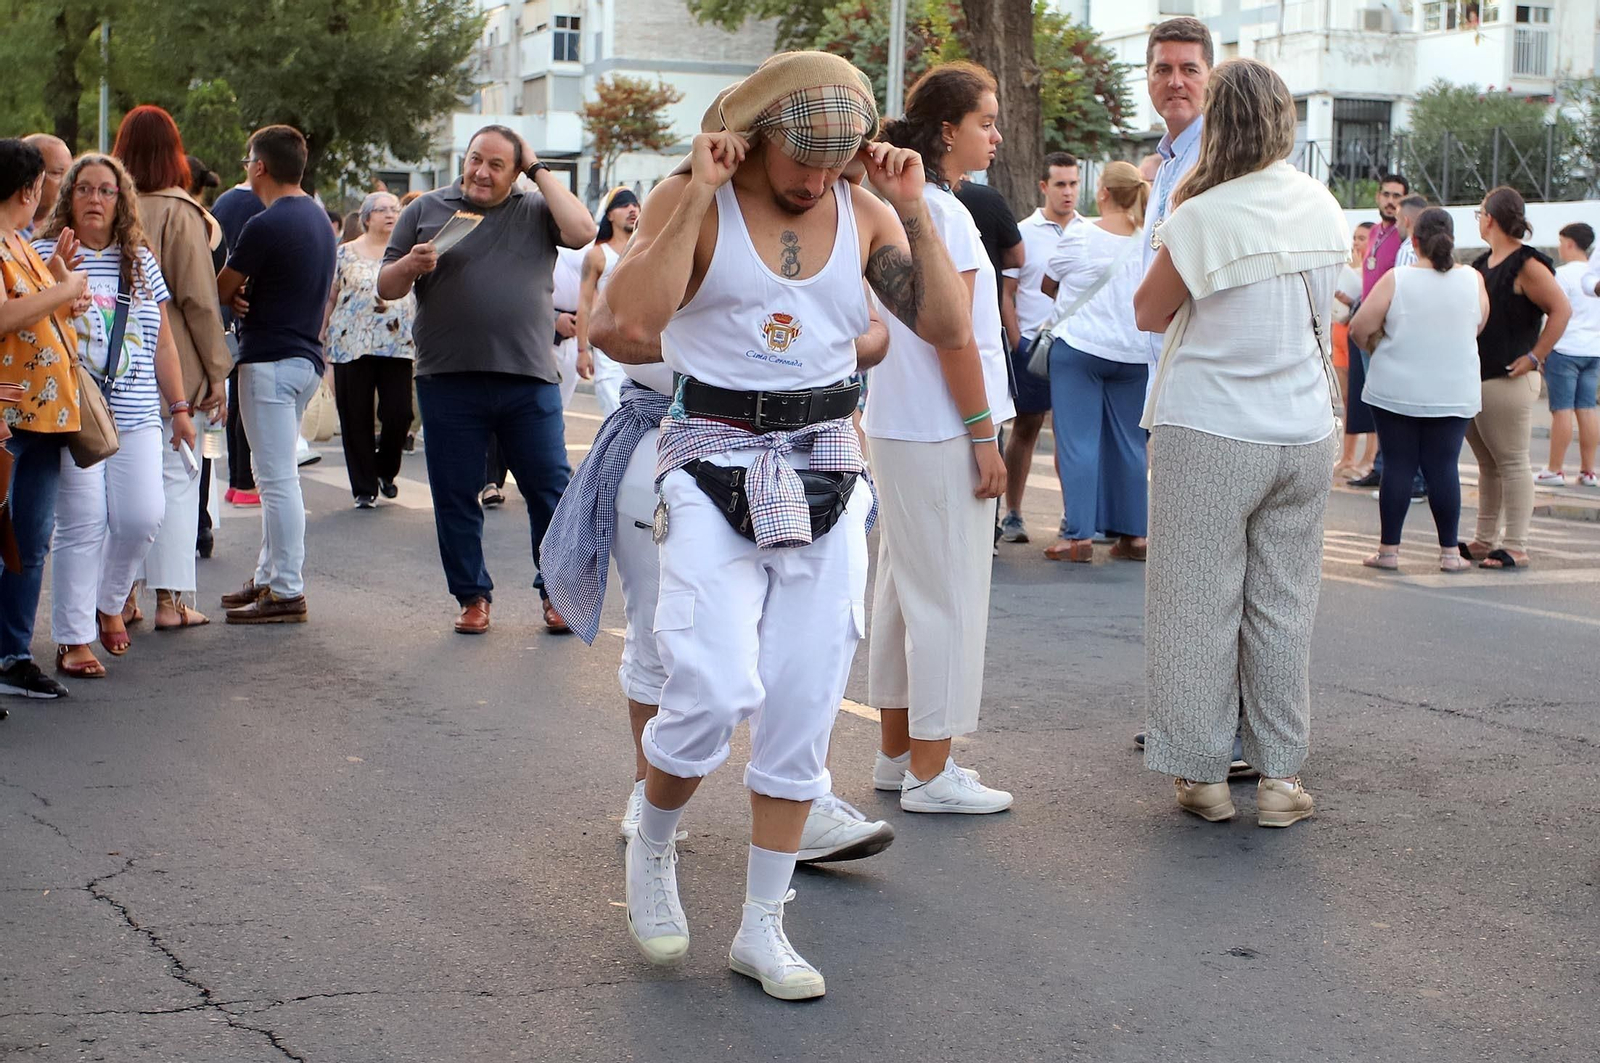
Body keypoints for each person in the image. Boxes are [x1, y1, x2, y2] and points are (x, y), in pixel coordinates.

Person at [594, 50, 975, 999]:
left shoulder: (867, 210)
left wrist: (915, 210)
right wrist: (696, 191)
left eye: (835, 162)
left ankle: (763, 925)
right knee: (714, 685)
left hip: (828, 461)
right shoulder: (698, 197)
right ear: (757, 137)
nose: (817, 180)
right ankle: (654, 838)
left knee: (803, 700)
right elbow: (622, 325)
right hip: (710, 454)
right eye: (803, 160)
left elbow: (944, 325)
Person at [543, 282, 895, 863]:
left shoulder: (831, 233)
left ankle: (800, 803)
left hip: (806, 448)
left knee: (805, 653)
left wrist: (809, 354)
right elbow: (605, 327)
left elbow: (875, 330)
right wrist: (724, 348)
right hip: (675, 440)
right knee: (665, 635)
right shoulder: (681, 230)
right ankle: (648, 797)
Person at [1133, 58, 1349, 828]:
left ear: (1217, 120)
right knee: (1284, 608)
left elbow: (1148, 311)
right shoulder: (1322, 204)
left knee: (1195, 604)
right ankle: (1282, 777)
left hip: (1211, 428)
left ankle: (1203, 776)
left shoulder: (1203, 212)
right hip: (1304, 428)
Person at [864, 60, 1016, 813]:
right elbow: (957, 340)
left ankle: (899, 755)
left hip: (900, 423)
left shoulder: (900, 206)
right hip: (941, 426)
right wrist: (984, 436)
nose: (997, 135)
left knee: (903, 595)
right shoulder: (941, 215)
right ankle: (931, 771)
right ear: (948, 131)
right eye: (987, 122)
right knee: (949, 599)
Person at [378, 125, 596, 635]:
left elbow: (584, 231)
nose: (481, 171)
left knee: (550, 488)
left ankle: (557, 591)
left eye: (497, 164)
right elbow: (386, 285)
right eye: (476, 159)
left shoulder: (536, 209)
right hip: (447, 377)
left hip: (528, 377)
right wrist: (410, 264)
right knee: (455, 492)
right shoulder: (426, 209)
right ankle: (472, 596)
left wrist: (538, 169)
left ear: (517, 171)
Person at [33, 154, 198, 676]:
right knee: (82, 523)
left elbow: (163, 342)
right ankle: (73, 639)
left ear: (121, 200)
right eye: (84, 189)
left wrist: (179, 408)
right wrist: (57, 278)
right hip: (74, 412)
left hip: (137, 411)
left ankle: (109, 602)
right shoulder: (44, 252)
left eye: (107, 191)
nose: (95, 200)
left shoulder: (139, 260)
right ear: (69, 196)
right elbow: (28, 328)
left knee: (142, 515)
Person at [114, 104, 231, 632]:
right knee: (177, 481)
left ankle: (122, 597)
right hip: (175, 366)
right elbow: (199, 301)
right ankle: (171, 601)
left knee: (124, 490)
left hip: (117, 367)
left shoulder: (109, 205)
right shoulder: (182, 212)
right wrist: (218, 372)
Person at [215, 125, 337, 623]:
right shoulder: (317, 218)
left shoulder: (265, 224)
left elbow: (220, 288)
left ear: (260, 167)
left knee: (276, 480)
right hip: (303, 358)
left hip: (268, 359)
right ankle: (268, 576)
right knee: (276, 477)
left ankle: (286, 588)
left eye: (249, 161)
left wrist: (238, 293)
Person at [1349, 207, 1488, 573]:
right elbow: (1478, 324)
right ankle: (1450, 554)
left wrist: (1376, 347)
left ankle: (1388, 552)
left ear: (1414, 241)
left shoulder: (1397, 279)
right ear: (1451, 240)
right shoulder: (1472, 279)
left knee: (1398, 465)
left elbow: (1359, 327)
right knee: (1444, 467)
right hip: (1453, 390)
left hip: (1396, 387)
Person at [0, 138, 87, 699]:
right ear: (29, 187)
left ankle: (12, 655)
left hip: (43, 415)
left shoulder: (22, 242)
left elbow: (38, 312)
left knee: (30, 541)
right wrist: (64, 289)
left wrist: (60, 288)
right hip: (9, 414)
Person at [1041, 161, 1150, 563]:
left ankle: (1078, 537)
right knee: (1131, 445)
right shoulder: (1149, 239)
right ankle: (1134, 536)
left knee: (1078, 442)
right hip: (1134, 351)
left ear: (1102, 192)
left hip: (1081, 348)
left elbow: (1048, 283)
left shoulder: (1081, 234)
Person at [1463, 186, 1570, 570]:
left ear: (1490, 218)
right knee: (1488, 464)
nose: (1479, 220)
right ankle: (1484, 539)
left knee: (1511, 462)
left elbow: (1561, 310)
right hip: (1477, 375)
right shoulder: (1482, 264)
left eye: (1480, 213)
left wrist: (1535, 356)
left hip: (1508, 377)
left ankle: (1516, 544)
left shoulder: (1527, 264)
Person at [998, 151, 1081, 544]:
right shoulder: (1023, 232)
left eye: (1074, 183)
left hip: (1076, 346)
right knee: (1026, 427)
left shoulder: (1089, 232)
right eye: (1060, 184)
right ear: (1045, 186)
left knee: (1071, 432)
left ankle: (1073, 517)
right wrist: (1017, 342)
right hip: (1032, 344)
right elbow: (1007, 292)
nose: (1068, 192)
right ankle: (1013, 513)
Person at [322, 191, 415, 507]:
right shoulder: (344, 253)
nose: (390, 214)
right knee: (355, 416)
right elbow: (331, 297)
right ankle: (364, 487)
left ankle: (385, 469)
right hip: (351, 343)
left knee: (399, 413)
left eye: (395, 209)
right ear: (366, 217)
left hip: (397, 343)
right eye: (382, 209)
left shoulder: (406, 252)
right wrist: (321, 335)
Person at [1347, 173, 1412, 492]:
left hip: (1388, 326)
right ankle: (1379, 464)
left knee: (1390, 400)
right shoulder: (1374, 232)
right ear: (1377, 196)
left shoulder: (1403, 237)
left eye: (1397, 196)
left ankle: (1390, 467)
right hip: (1367, 323)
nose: (1390, 201)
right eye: (1386, 194)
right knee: (1373, 398)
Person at [211, 173, 264, 506]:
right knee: (246, 400)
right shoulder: (266, 205)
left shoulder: (223, 203)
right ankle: (246, 482)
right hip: (248, 308)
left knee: (235, 400)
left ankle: (237, 480)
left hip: (224, 308)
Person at [1537, 223, 1600, 487]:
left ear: (1571, 243)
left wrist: (1542, 349)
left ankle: (1555, 469)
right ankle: (1588, 471)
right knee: (1587, 409)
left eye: (1562, 242)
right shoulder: (1595, 276)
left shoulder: (1561, 275)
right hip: (1593, 350)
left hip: (1565, 349)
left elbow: (1554, 313)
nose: (1560, 247)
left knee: (1561, 409)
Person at [576, 187, 638, 418]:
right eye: (624, 204)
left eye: (635, 204)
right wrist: (582, 350)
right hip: (609, 353)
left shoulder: (648, 249)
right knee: (616, 416)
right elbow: (584, 305)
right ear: (610, 214)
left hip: (643, 350)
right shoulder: (597, 255)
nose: (632, 209)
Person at [1334, 221, 1375, 479]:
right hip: (1340, 333)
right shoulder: (1348, 268)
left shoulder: (1371, 272)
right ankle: (1347, 456)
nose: (1357, 243)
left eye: (1363, 238)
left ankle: (1369, 457)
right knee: (1347, 398)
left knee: (1367, 398)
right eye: (1355, 237)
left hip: (1358, 335)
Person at [19, 135, 70, 239]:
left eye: (70, 175)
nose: (66, 183)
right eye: (57, 173)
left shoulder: (77, 229)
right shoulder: (8, 232)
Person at [1393, 194, 1427, 270]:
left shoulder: (1407, 251)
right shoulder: (1437, 248)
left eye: (1397, 220)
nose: (1396, 225)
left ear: (1406, 221)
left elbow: (1402, 277)